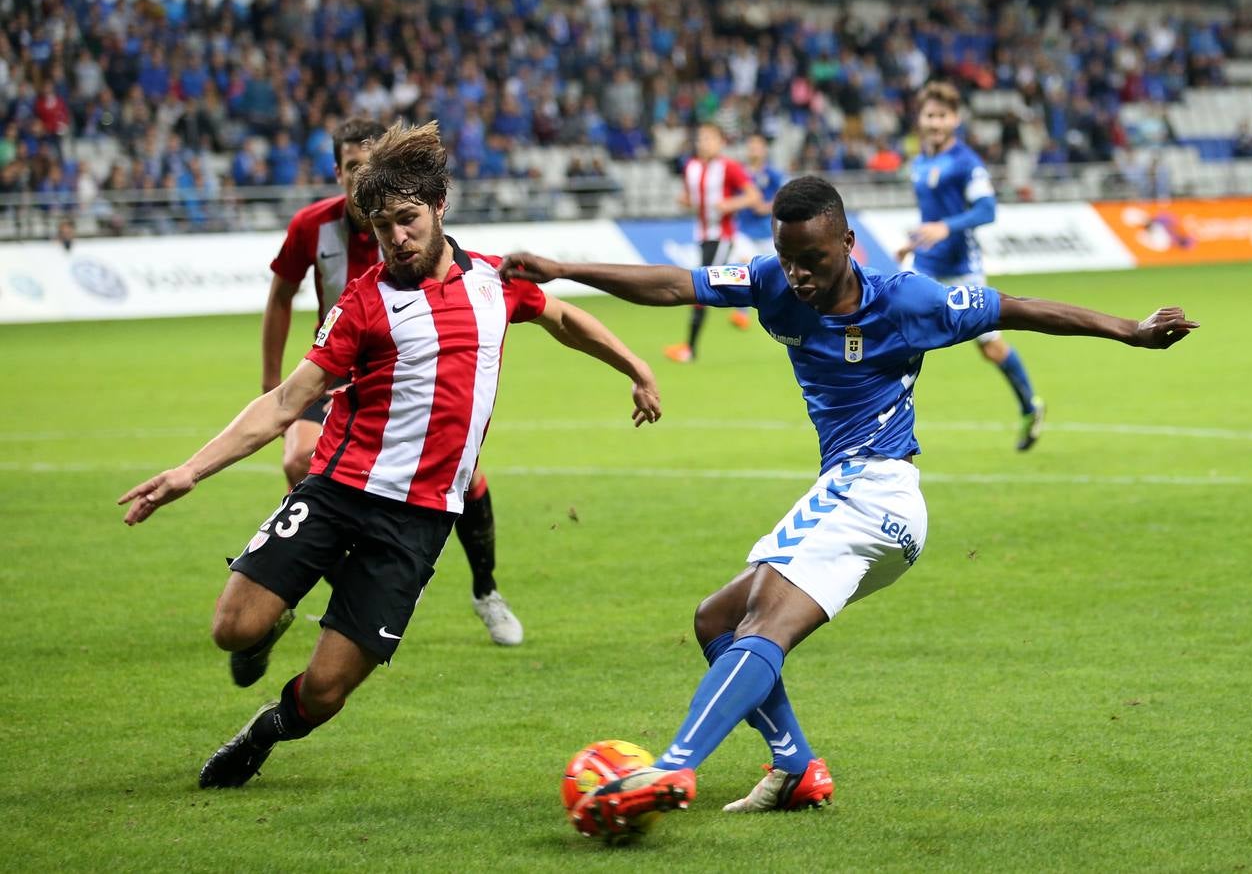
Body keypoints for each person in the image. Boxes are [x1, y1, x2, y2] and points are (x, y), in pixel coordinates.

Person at [500, 175, 1196, 837]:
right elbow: (674, 283)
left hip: (871, 489)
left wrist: (1128, 330)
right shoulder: (770, 282)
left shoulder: (907, 301)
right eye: (788, 258)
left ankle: (674, 767)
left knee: (763, 623)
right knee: (716, 620)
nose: (798, 274)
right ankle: (797, 768)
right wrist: (565, 269)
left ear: (848, 243)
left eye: (814, 259)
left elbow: (1016, 307)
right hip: (866, 503)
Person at [118, 121, 662, 790]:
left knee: (323, 694)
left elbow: (563, 318)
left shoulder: (493, 281)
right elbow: (287, 401)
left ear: (440, 206)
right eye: (382, 229)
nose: (396, 238)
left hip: (418, 521)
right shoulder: (363, 303)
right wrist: (188, 472)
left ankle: (264, 732)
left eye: (407, 220)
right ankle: (283, 608)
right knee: (232, 629)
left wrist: (635, 366)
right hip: (337, 490)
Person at [262, 118, 525, 647]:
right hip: (336, 371)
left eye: (368, 166)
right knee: (296, 461)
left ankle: (486, 590)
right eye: (352, 168)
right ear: (338, 172)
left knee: (465, 473)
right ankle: (342, 589)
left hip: (405, 372)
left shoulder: (411, 229)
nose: (360, 178)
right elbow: (280, 296)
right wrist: (272, 387)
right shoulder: (312, 227)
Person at [895, 81, 1046, 451]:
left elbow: (987, 210)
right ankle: (886, 418)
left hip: (963, 265)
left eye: (942, 116)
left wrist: (945, 227)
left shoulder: (966, 163)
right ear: (920, 119)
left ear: (955, 119)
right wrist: (914, 243)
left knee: (990, 347)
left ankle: (1031, 406)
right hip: (926, 262)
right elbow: (932, 216)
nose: (935, 122)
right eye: (929, 115)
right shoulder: (920, 162)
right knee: (898, 330)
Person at [665, 122, 763, 363]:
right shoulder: (691, 166)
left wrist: (730, 204)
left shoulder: (729, 167)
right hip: (701, 235)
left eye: (709, 138)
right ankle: (745, 308)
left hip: (722, 236)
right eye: (701, 138)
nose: (704, 143)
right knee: (706, 285)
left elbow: (753, 196)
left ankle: (690, 348)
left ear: (720, 142)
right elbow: (691, 198)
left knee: (701, 286)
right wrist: (685, 201)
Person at [734, 133, 786, 262]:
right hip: (744, 233)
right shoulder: (739, 174)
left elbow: (786, 197)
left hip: (769, 234)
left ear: (764, 150)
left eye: (757, 147)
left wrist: (767, 207)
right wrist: (747, 202)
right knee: (747, 268)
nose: (754, 150)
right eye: (751, 147)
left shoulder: (774, 174)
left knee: (775, 269)